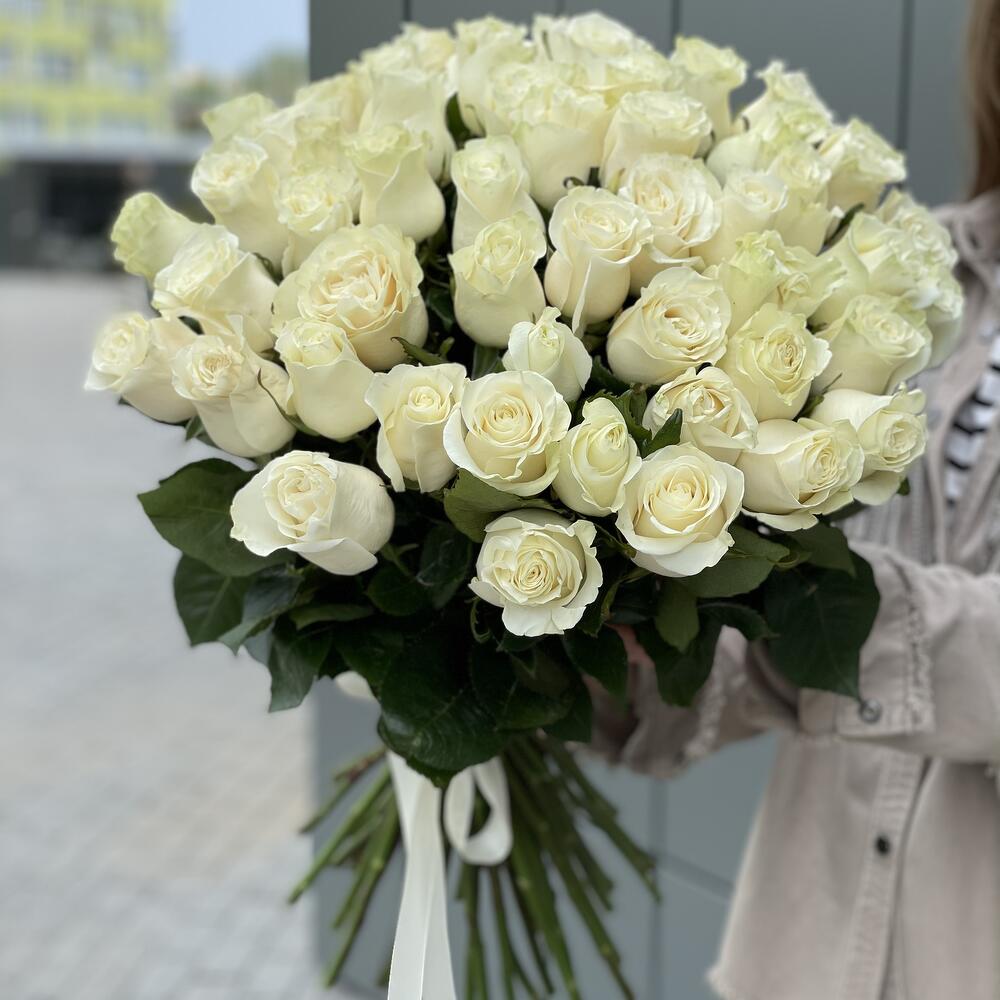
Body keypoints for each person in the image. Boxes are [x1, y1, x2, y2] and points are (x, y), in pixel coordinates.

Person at [594, 3, 1000, 998]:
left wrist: (774, 590)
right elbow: (744, 665)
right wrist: (595, 623)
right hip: (805, 944)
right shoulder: (919, 277)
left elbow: (810, 624)